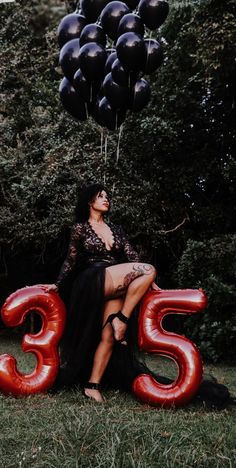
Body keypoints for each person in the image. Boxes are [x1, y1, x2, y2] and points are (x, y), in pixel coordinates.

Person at [48, 183, 234, 408]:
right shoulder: (80, 228)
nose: (106, 199)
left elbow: (130, 254)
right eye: (101, 196)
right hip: (91, 278)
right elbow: (71, 260)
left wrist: (145, 279)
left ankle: (92, 386)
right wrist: (57, 285)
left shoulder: (116, 229)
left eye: (108, 196)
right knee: (148, 269)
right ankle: (122, 320)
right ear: (90, 201)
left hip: (115, 280)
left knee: (109, 335)